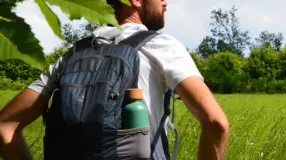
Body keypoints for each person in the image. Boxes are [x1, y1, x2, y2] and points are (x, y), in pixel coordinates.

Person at [0, 0, 229, 159]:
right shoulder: (160, 45)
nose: (165, 3)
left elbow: (5, 125)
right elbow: (216, 122)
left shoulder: (74, 53)